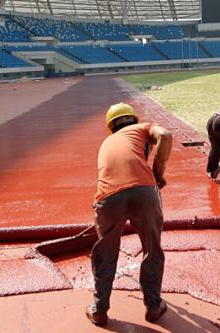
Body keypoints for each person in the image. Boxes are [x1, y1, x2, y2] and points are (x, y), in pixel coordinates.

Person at [86, 102, 172, 326]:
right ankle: (153, 307)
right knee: (152, 249)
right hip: (144, 191)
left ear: (111, 126)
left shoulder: (106, 142)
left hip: (107, 197)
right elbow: (165, 135)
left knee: (106, 252)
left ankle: (99, 309)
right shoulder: (142, 128)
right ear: (133, 119)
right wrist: (158, 172)